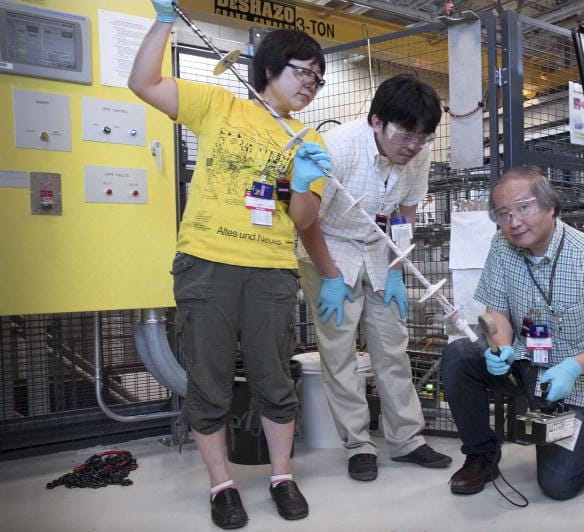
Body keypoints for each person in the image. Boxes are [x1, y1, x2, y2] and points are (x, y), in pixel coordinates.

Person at [129, 1, 330, 528]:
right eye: (303, 71)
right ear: (270, 69)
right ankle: (221, 485)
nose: (312, 83)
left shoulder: (308, 139)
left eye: (319, 78)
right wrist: (164, 22)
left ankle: (282, 476)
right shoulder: (219, 106)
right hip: (207, 263)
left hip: (270, 269)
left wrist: (298, 175)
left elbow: (305, 217)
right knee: (209, 380)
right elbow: (143, 83)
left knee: (273, 378)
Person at [442, 167, 584, 500]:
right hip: (525, 360)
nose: (514, 222)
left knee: (558, 486)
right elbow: (497, 311)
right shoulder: (502, 245)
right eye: (504, 214)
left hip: (576, 377)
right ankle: (481, 454)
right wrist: (502, 347)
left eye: (524, 208)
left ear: (550, 206)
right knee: (459, 355)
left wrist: (574, 367)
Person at [296, 74, 452, 481]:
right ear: (377, 122)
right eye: (404, 134)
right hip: (329, 246)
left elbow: (405, 213)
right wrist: (330, 277)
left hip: (381, 248)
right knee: (340, 351)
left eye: (423, 136)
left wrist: (397, 269)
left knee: (392, 345)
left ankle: (406, 439)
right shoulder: (339, 147)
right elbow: (307, 222)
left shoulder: (417, 153)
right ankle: (359, 445)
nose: (413, 146)